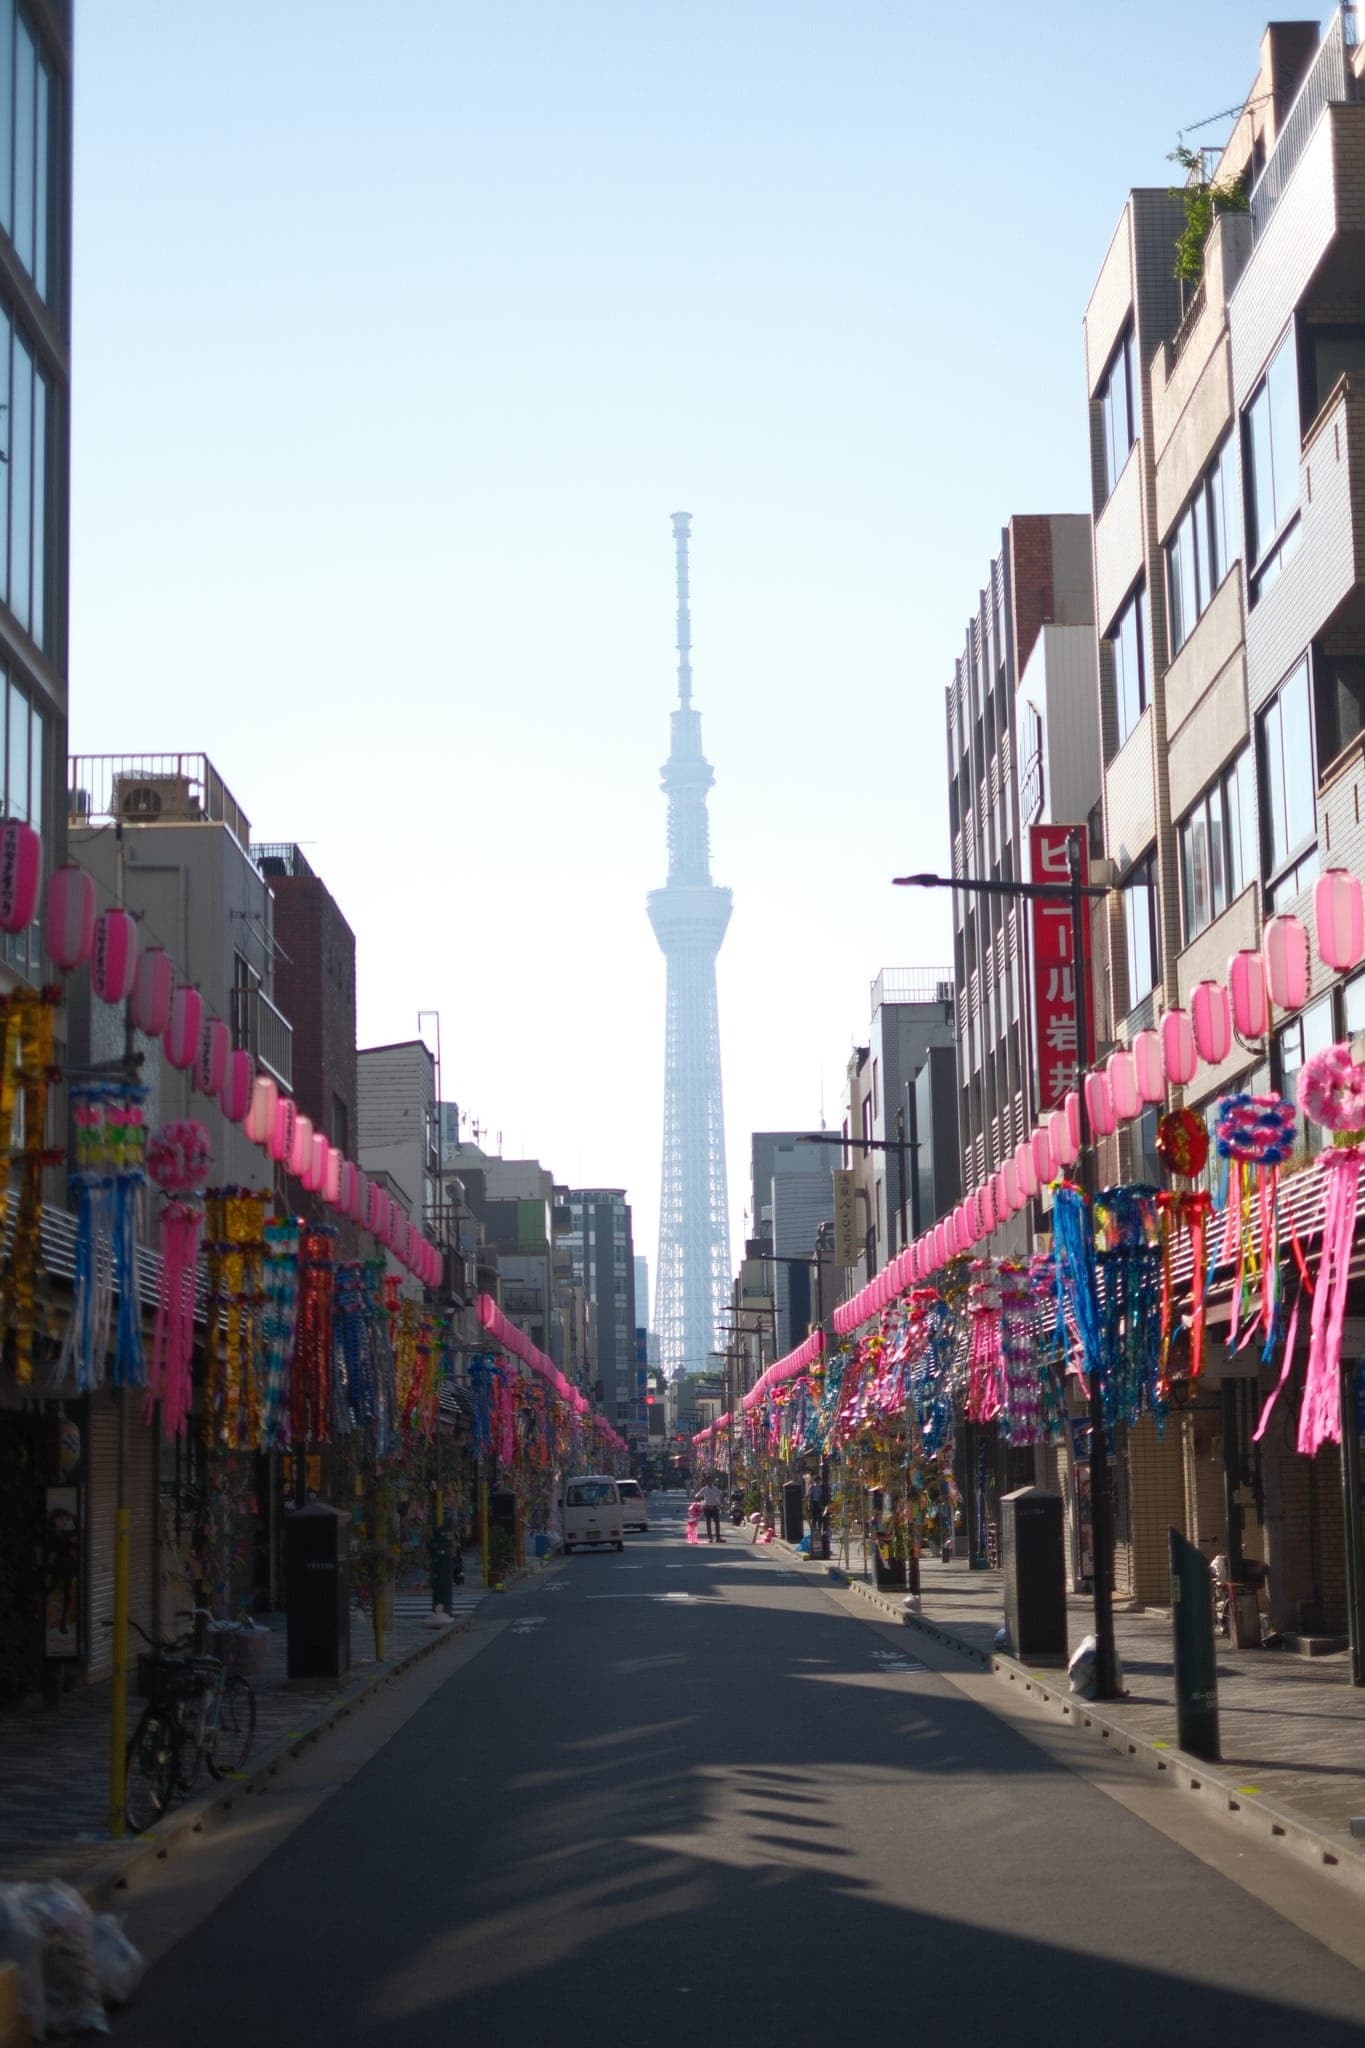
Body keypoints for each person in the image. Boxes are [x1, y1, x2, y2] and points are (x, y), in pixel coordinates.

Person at [696, 1478, 723, 1542]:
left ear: (712, 1481)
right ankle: (710, 1538)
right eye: (708, 1480)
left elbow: (718, 1496)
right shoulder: (704, 1489)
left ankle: (718, 1537)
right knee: (708, 1523)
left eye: (710, 1480)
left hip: (714, 1507)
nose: (709, 1482)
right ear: (706, 1481)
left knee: (717, 1523)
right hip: (707, 1508)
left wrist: (720, 1505)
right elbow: (697, 1495)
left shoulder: (715, 1488)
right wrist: (700, 1501)